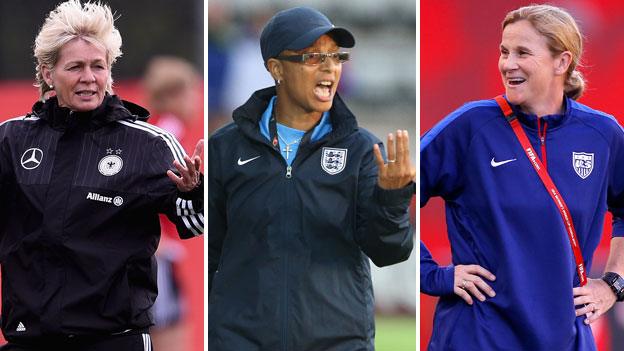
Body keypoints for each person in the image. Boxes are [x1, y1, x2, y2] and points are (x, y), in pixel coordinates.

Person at [208, 6, 415, 351]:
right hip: (240, 340)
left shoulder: (363, 150)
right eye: (313, 57)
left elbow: (389, 250)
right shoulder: (225, 148)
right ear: (276, 69)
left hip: (336, 342)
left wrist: (392, 197)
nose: (329, 68)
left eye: (336, 57)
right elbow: (210, 253)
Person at [0, 1, 203, 350]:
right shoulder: (11, 140)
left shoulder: (148, 143)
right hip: (29, 338)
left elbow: (195, 222)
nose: (89, 78)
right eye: (75, 67)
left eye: (98, 66)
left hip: (114, 340)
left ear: (110, 73)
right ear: (48, 74)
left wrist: (194, 193)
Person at [421, 4, 624, 350]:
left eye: (522, 53)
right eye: (504, 51)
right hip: (477, 337)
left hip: (565, 339)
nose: (507, 63)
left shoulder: (602, 134)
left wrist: (613, 284)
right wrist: (433, 275)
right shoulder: (470, 126)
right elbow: (388, 199)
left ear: (562, 62)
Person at [142, 56, 204, 351]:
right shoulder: (169, 134)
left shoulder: (149, 130)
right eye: (193, 91)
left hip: (151, 257)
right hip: (156, 259)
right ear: (175, 94)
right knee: (171, 338)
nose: (197, 100)